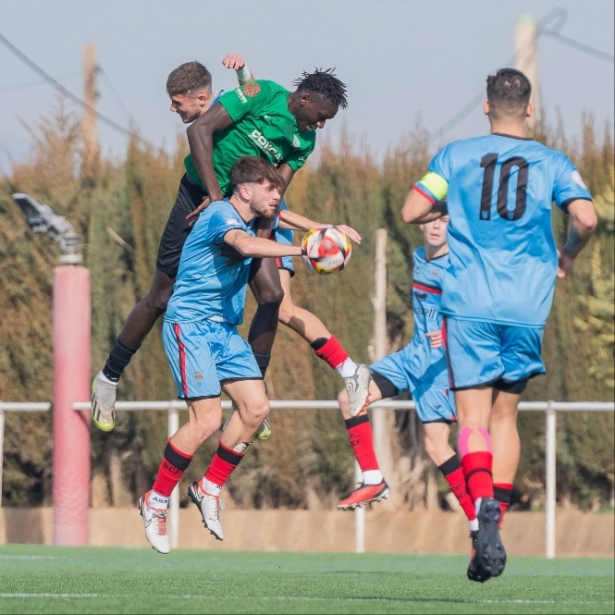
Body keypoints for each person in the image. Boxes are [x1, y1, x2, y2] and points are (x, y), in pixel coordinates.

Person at [92, 60, 370, 431]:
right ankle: (109, 378)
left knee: (272, 296)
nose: (320, 125)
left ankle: (251, 394)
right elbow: (200, 132)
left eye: (326, 121)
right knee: (161, 297)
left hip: (248, 214)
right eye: (320, 116)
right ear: (303, 99)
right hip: (198, 199)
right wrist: (214, 197)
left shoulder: (304, 141)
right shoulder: (262, 94)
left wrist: (268, 240)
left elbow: (275, 195)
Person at [401, 68, 597, 581]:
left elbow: (411, 209)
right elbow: (588, 218)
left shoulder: (455, 156)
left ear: (485, 107)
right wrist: (569, 256)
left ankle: (480, 507)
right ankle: (495, 527)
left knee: (472, 421)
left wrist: (457, 200)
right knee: (506, 418)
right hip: (527, 305)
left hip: (468, 302)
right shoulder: (554, 163)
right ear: (530, 110)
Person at [139, 156, 306, 554]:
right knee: (207, 420)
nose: (277, 195)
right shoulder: (219, 214)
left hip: (224, 331)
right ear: (245, 190)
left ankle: (208, 487)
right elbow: (246, 246)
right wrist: (306, 251)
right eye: (271, 189)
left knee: (255, 409)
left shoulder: (256, 216)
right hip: (191, 326)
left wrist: (330, 231)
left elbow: (287, 217)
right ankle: (156, 500)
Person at [336, 214, 479, 524]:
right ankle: (373, 478)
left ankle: (478, 522)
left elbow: (482, 313)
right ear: (421, 224)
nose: (438, 226)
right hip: (411, 358)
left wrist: (453, 332)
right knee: (349, 397)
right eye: (432, 220)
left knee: (437, 448)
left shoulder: (459, 267)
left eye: (445, 220)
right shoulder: (418, 257)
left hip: (441, 370)